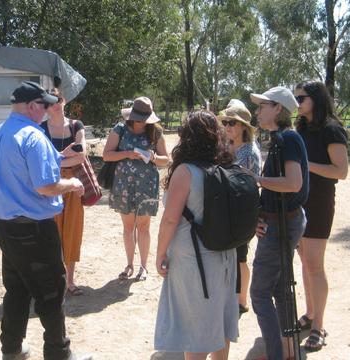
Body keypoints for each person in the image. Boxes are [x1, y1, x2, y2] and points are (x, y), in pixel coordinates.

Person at [0, 81, 92, 360]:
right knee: (52, 292)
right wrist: (72, 184)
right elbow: (45, 186)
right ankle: (59, 353)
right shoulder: (33, 136)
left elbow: (16, 166)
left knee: (16, 289)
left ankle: (12, 348)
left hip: (7, 228)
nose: (46, 111)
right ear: (31, 106)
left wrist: (57, 155)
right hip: (35, 229)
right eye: (43, 106)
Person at [154, 110, 238, 360]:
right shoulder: (227, 166)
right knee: (220, 316)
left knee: (196, 324)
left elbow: (170, 219)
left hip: (193, 258)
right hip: (225, 254)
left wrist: (160, 254)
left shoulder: (186, 171)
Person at [249, 86, 309, 360]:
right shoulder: (280, 139)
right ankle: (287, 351)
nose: (258, 111)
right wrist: (261, 214)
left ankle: (277, 353)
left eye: (263, 106)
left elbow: (293, 184)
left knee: (260, 293)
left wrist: (256, 180)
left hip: (283, 224)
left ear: (279, 110)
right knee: (280, 290)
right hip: (279, 221)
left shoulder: (287, 140)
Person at [294, 81, 348, 352]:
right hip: (300, 203)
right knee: (305, 261)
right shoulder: (301, 128)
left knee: (315, 264)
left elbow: (341, 171)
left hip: (319, 204)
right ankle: (311, 312)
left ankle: (319, 327)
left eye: (301, 97)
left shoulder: (331, 129)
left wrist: (307, 166)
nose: (297, 102)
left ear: (315, 98)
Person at [103, 96, 169, 281]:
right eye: (139, 118)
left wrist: (153, 156)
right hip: (124, 184)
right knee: (128, 226)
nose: (142, 123)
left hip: (147, 185)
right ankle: (129, 264)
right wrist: (128, 154)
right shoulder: (121, 129)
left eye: (145, 119)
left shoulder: (155, 131)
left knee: (144, 226)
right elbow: (107, 155)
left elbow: (167, 160)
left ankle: (143, 267)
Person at [40, 87, 87, 296]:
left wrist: (56, 160)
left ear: (64, 100)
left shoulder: (76, 125)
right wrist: (61, 160)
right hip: (50, 184)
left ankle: (69, 280)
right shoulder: (40, 128)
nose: (55, 105)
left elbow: (81, 155)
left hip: (74, 183)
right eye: (50, 102)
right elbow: (39, 160)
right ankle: (54, 279)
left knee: (72, 231)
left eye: (58, 100)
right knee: (51, 232)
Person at [219, 100, 261, 316]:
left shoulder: (249, 151)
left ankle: (242, 300)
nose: (227, 127)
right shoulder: (228, 145)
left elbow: (249, 184)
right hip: (228, 208)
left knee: (241, 255)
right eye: (226, 122)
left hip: (242, 210)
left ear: (244, 126)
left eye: (232, 123)